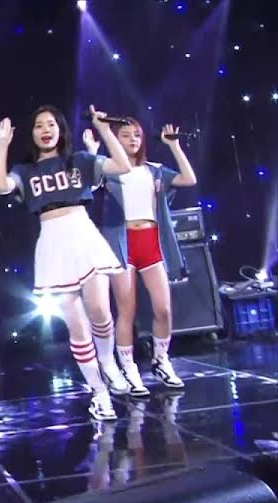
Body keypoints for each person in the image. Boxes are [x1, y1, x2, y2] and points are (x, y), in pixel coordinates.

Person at [0, 105, 132, 420]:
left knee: (99, 310)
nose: (46, 130)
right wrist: (2, 145)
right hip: (52, 242)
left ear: (60, 129)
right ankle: (99, 392)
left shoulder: (79, 160)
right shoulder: (25, 170)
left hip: (83, 233)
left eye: (51, 124)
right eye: (39, 125)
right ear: (32, 133)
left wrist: (104, 129)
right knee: (76, 324)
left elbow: (123, 166)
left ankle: (108, 362)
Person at [83, 120, 197, 393]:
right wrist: (92, 151)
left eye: (137, 135)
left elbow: (189, 179)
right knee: (127, 310)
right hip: (121, 242)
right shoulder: (110, 169)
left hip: (151, 242)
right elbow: (89, 183)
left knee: (163, 309)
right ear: (116, 139)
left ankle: (161, 360)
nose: (133, 139)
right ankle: (128, 368)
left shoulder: (154, 170)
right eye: (125, 135)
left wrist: (174, 145)